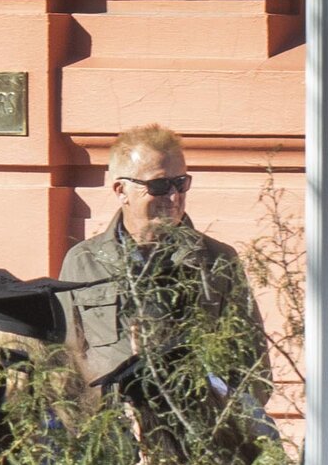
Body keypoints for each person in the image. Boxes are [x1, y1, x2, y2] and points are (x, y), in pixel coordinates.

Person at [58, 124, 262, 399]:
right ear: (121, 190)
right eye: (159, 186)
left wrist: (216, 414)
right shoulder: (83, 261)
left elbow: (253, 365)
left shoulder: (217, 261)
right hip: (111, 431)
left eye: (181, 183)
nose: (174, 196)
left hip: (194, 432)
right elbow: (66, 359)